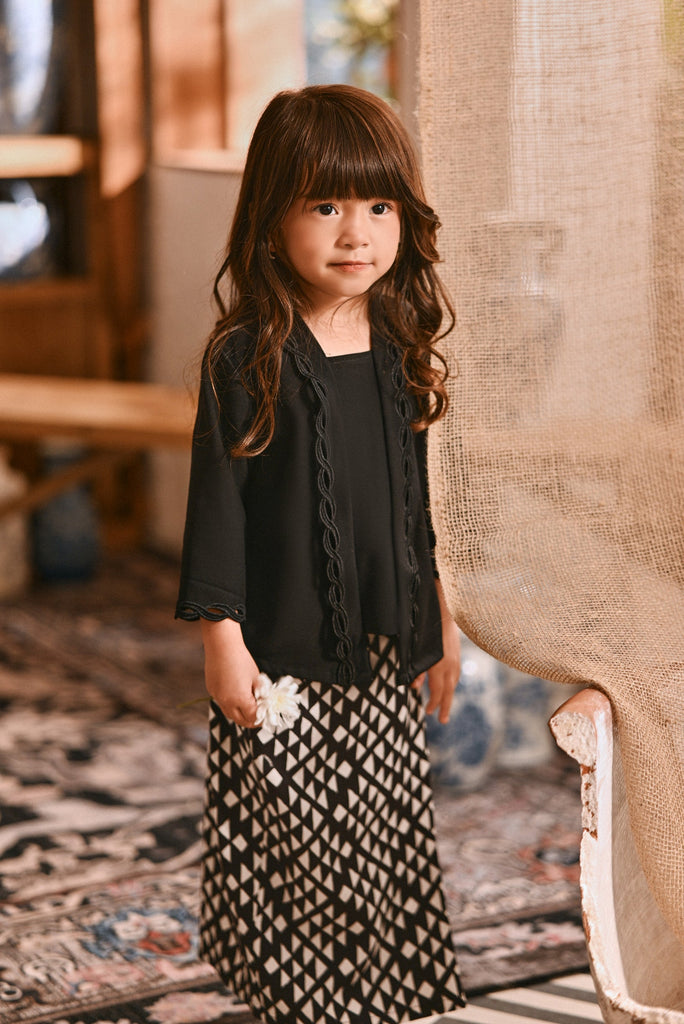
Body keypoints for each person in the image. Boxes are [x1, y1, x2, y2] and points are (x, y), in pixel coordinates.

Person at [176, 84, 466, 1024]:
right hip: (282, 658)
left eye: (379, 206)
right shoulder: (246, 354)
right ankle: (299, 1001)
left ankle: (372, 998)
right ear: (273, 216)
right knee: (296, 844)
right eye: (327, 205)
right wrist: (221, 636)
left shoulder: (402, 344)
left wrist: (442, 623)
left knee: (376, 839)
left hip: (383, 651)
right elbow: (217, 508)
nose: (357, 233)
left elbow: (421, 506)